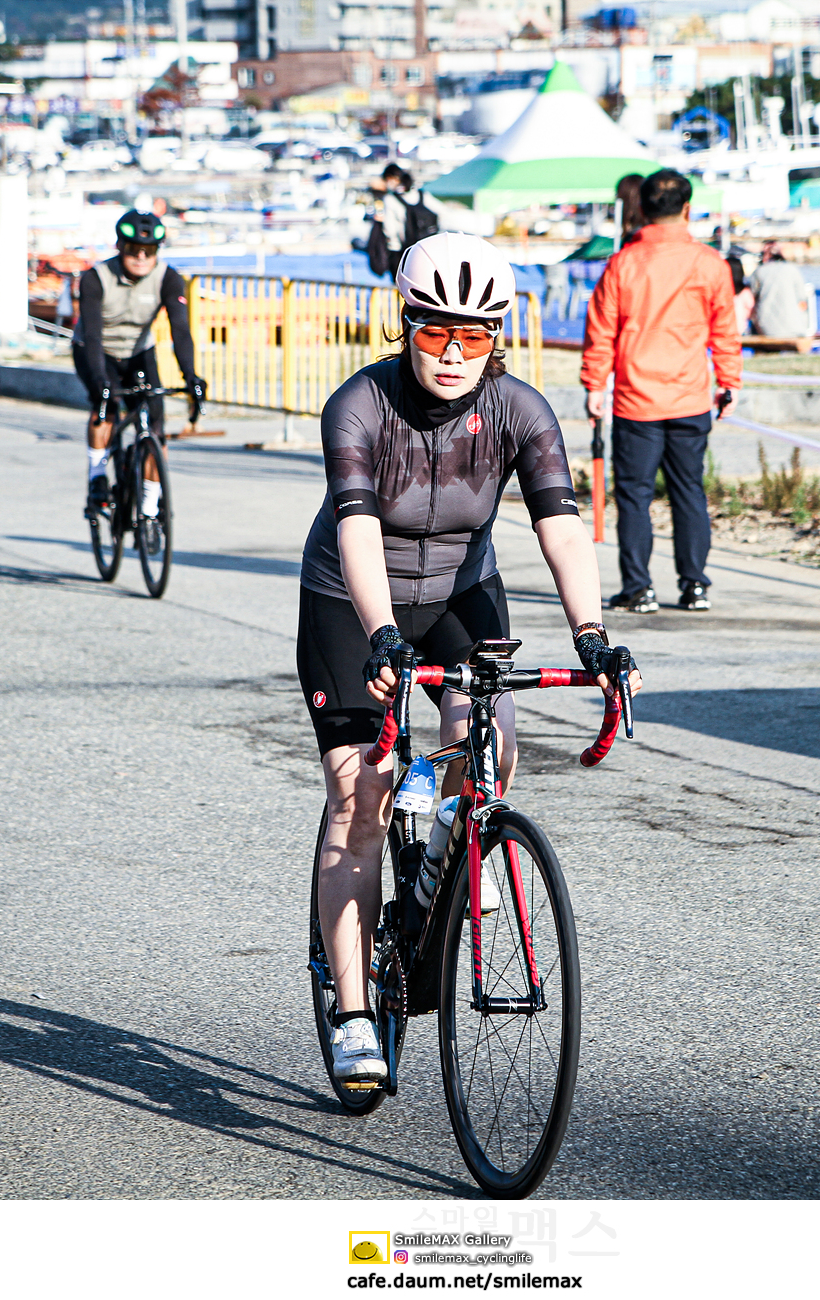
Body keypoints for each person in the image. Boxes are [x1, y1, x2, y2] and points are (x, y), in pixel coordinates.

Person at [298, 231, 641, 1086]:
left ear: (498, 336)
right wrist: (383, 634)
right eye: (436, 332)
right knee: (360, 794)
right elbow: (357, 529)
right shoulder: (359, 405)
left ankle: (456, 838)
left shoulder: (520, 411)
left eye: (476, 335)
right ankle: (353, 1011)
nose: (454, 353)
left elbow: (561, 526)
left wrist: (592, 636)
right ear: (405, 323)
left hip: (460, 591)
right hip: (352, 599)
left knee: (495, 746)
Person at [581, 168, 740, 614]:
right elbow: (725, 331)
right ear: (687, 209)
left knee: (634, 496)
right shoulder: (710, 263)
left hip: (636, 400)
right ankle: (695, 585)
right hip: (690, 396)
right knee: (689, 490)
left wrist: (594, 383)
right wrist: (728, 381)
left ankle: (639, 588)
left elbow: (601, 331)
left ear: (643, 208)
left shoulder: (623, 264)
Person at [71, 209, 203, 518]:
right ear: (120, 246)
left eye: (150, 250)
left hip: (139, 352)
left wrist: (191, 376)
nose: (141, 257)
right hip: (97, 350)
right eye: (133, 249)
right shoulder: (96, 278)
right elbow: (92, 334)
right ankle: (97, 476)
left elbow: (180, 330)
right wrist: (100, 381)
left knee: (156, 427)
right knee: (104, 408)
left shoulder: (168, 278)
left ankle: (149, 507)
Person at [365, 163, 439, 278]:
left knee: (401, 285)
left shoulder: (390, 199)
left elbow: (390, 230)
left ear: (390, 178)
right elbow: (440, 211)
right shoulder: (421, 195)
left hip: (401, 251)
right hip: (426, 250)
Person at [748, 242, 813, 338]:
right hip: (795, 329)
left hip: (766, 330)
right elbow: (802, 303)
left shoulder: (759, 272)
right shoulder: (793, 270)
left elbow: (750, 300)